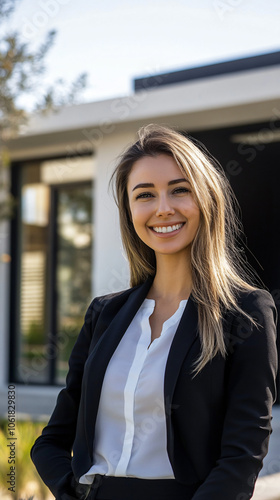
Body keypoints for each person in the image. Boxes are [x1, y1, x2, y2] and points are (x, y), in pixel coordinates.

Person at [31, 124, 278, 500]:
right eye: (144, 195)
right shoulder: (104, 314)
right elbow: (50, 441)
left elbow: (242, 457)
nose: (163, 208)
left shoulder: (245, 312)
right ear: (130, 211)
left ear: (207, 200)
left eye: (180, 190)